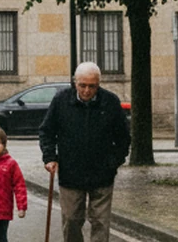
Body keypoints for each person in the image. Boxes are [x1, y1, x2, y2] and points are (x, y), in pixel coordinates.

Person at [38, 62, 131, 242]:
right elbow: (46, 131)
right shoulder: (61, 100)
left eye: (92, 86)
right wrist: (49, 157)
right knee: (71, 220)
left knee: (100, 223)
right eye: (82, 85)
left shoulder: (110, 102)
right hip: (71, 173)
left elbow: (123, 138)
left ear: (99, 83)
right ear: (75, 82)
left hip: (102, 173)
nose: (87, 91)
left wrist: (113, 163)